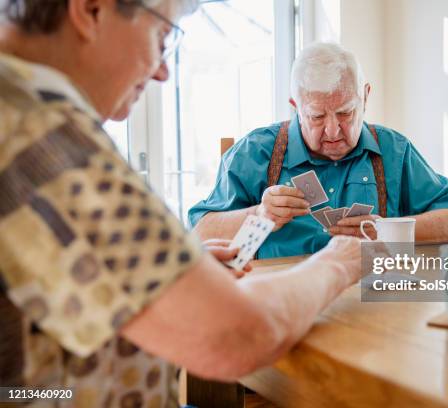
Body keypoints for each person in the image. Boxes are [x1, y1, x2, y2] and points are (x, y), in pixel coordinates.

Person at [0, 1, 363, 406]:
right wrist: (340, 262)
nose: (162, 70)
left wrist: (179, 277)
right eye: (161, 37)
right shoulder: (39, 133)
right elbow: (234, 335)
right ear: (91, 10)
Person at [189, 42, 448, 259]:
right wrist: (260, 214)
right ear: (295, 106)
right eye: (316, 116)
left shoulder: (393, 151)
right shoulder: (255, 153)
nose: (333, 131)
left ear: (365, 96)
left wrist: (387, 231)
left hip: (370, 300)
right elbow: (199, 233)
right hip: (280, 298)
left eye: (345, 113)